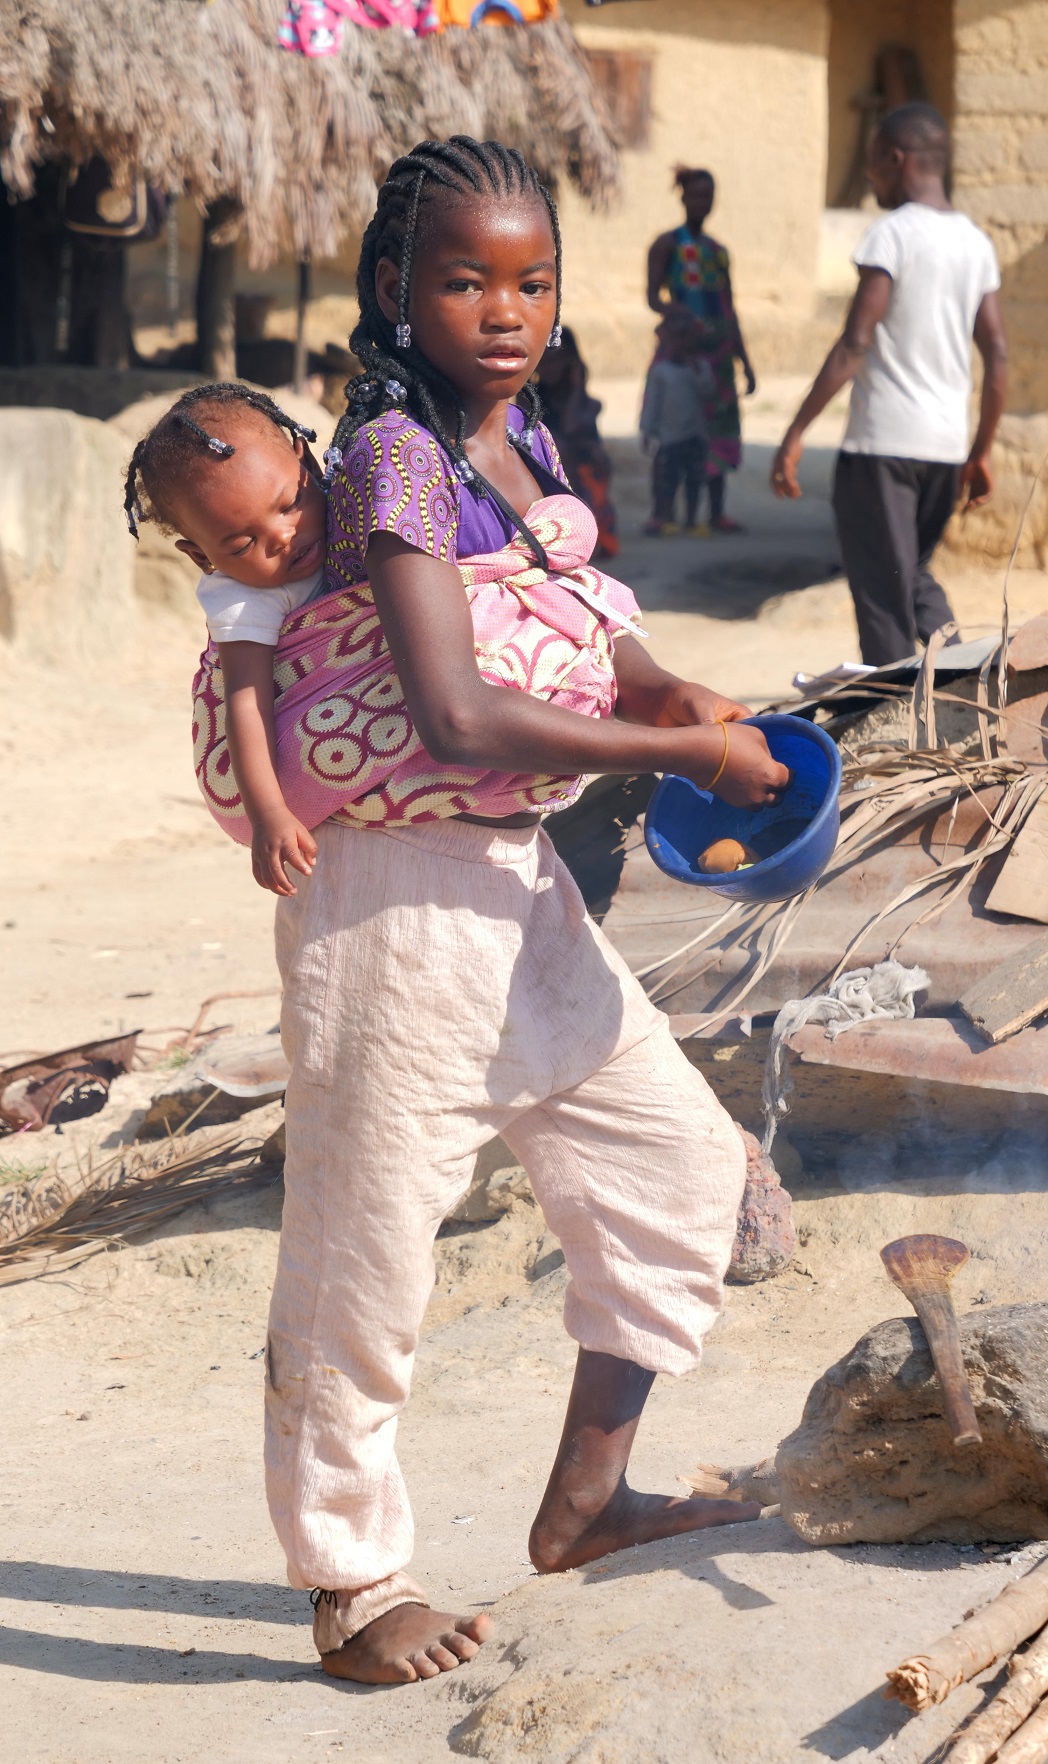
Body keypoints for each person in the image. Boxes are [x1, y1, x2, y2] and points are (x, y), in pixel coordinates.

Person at [132, 135, 790, 1689]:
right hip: (391, 901)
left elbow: (571, 618)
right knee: (365, 1256)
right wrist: (685, 748)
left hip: (513, 884)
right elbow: (453, 715)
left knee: (679, 1170)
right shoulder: (392, 457)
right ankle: (352, 1590)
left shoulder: (521, 440)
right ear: (390, 291)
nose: (504, 309)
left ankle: (581, 1503)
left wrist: (665, 682)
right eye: (462, 278)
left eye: (532, 280)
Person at [770, 103, 1008, 667]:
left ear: (895, 159)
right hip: (945, 449)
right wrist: (980, 450)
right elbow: (997, 354)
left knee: (882, 593)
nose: (870, 174)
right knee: (910, 574)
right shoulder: (975, 242)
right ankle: (962, 674)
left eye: (874, 160)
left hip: (881, 449)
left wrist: (795, 431)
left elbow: (854, 343)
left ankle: (893, 716)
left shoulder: (892, 234)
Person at [123, 384, 331, 896]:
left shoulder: (358, 510)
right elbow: (247, 701)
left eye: (290, 503)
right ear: (201, 556)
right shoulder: (246, 597)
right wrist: (268, 814)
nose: (282, 536)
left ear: (307, 462)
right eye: (243, 543)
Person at [647, 166, 755, 533]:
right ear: (683, 198)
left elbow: (729, 307)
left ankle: (715, 513)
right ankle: (663, 512)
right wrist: (676, 313)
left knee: (718, 430)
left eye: (708, 195)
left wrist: (745, 362)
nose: (702, 202)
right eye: (696, 195)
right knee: (673, 431)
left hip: (719, 353)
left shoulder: (718, 252)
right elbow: (652, 298)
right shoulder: (667, 245)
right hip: (682, 350)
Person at [533, 324, 619, 558]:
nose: (550, 368)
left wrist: (577, 383)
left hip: (582, 466)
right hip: (552, 466)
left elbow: (573, 426)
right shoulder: (531, 394)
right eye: (545, 361)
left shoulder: (583, 400)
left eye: (557, 361)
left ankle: (592, 532)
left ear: (570, 362)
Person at [640, 306, 714, 535]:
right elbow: (652, 402)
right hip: (669, 437)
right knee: (667, 481)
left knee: (694, 480)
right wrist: (647, 431)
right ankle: (665, 518)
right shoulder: (661, 371)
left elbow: (709, 393)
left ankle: (691, 520)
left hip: (695, 435)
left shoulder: (700, 367)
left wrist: (697, 371)